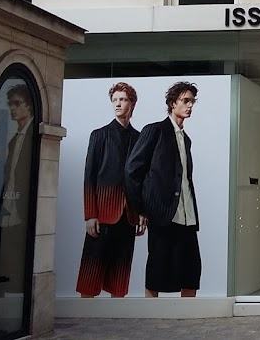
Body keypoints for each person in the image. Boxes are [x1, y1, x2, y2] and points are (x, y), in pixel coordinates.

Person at [125, 81, 201, 297]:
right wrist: (140, 208)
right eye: (185, 101)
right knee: (158, 270)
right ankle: (151, 315)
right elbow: (132, 171)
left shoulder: (185, 140)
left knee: (191, 271)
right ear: (172, 103)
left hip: (187, 216)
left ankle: (187, 318)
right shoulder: (155, 131)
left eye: (192, 102)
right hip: (162, 214)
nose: (190, 106)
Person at [76, 82, 143, 298]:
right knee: (92, 269)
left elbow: (144, 179)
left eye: (122, 99)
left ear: (132, 103)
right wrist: (90, 215)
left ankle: (117, 314)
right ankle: (84, 315)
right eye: (114, 100)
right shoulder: (99, 135)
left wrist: (143, 212)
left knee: (121, 271)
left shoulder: (140, 138)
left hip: (129, 214)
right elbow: (89, 177)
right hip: (103, 213)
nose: (117, 104)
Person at [0, 83, 36, 295]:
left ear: (29, 106)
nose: (12, 109)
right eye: (10, 104)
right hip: (9, 209)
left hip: (21, 210)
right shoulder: (14, 140)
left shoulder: (33, 136)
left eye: (17, 104)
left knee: (14, 259)